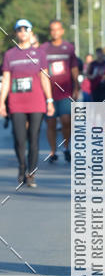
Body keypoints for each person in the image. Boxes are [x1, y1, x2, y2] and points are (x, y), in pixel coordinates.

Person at [0, 19, 55, 186]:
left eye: (26, 29)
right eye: (19, 30)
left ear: (30, 32)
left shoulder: (39, 54)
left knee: (34, 137)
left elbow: (45, 78)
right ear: (16, 33)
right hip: (17, 103)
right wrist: (2, 101)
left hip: (36, 102)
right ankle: (22, 165)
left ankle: (31, 173)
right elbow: (7, 80)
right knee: (19, 138)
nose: (22, 32)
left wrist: (49, 100)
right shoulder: (10, 55)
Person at [40, 19, 79, 163]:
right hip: (48, 92)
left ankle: (66, 148)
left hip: (65, 92)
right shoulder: (44, 48)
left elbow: (74, 68)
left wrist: (76, 86)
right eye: (52, 29)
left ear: (62, 31)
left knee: (66, 121)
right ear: (50, 32)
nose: (55, 32)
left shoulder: (68, 48)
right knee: (50, 122)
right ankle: (52, 151)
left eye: (57, 29)